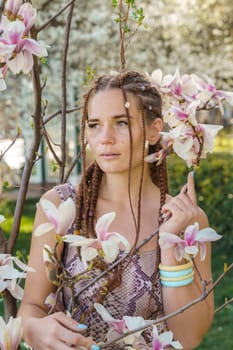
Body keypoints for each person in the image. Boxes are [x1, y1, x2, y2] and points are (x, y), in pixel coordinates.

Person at [18, 71, 214, 350]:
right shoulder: (63, 207)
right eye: (94, 124)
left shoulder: (187, 221)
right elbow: (31, 307)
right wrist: (34, 328)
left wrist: (170, 247)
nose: (105, 138)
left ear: (154, 129)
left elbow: (189, 337)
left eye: (121, 123)